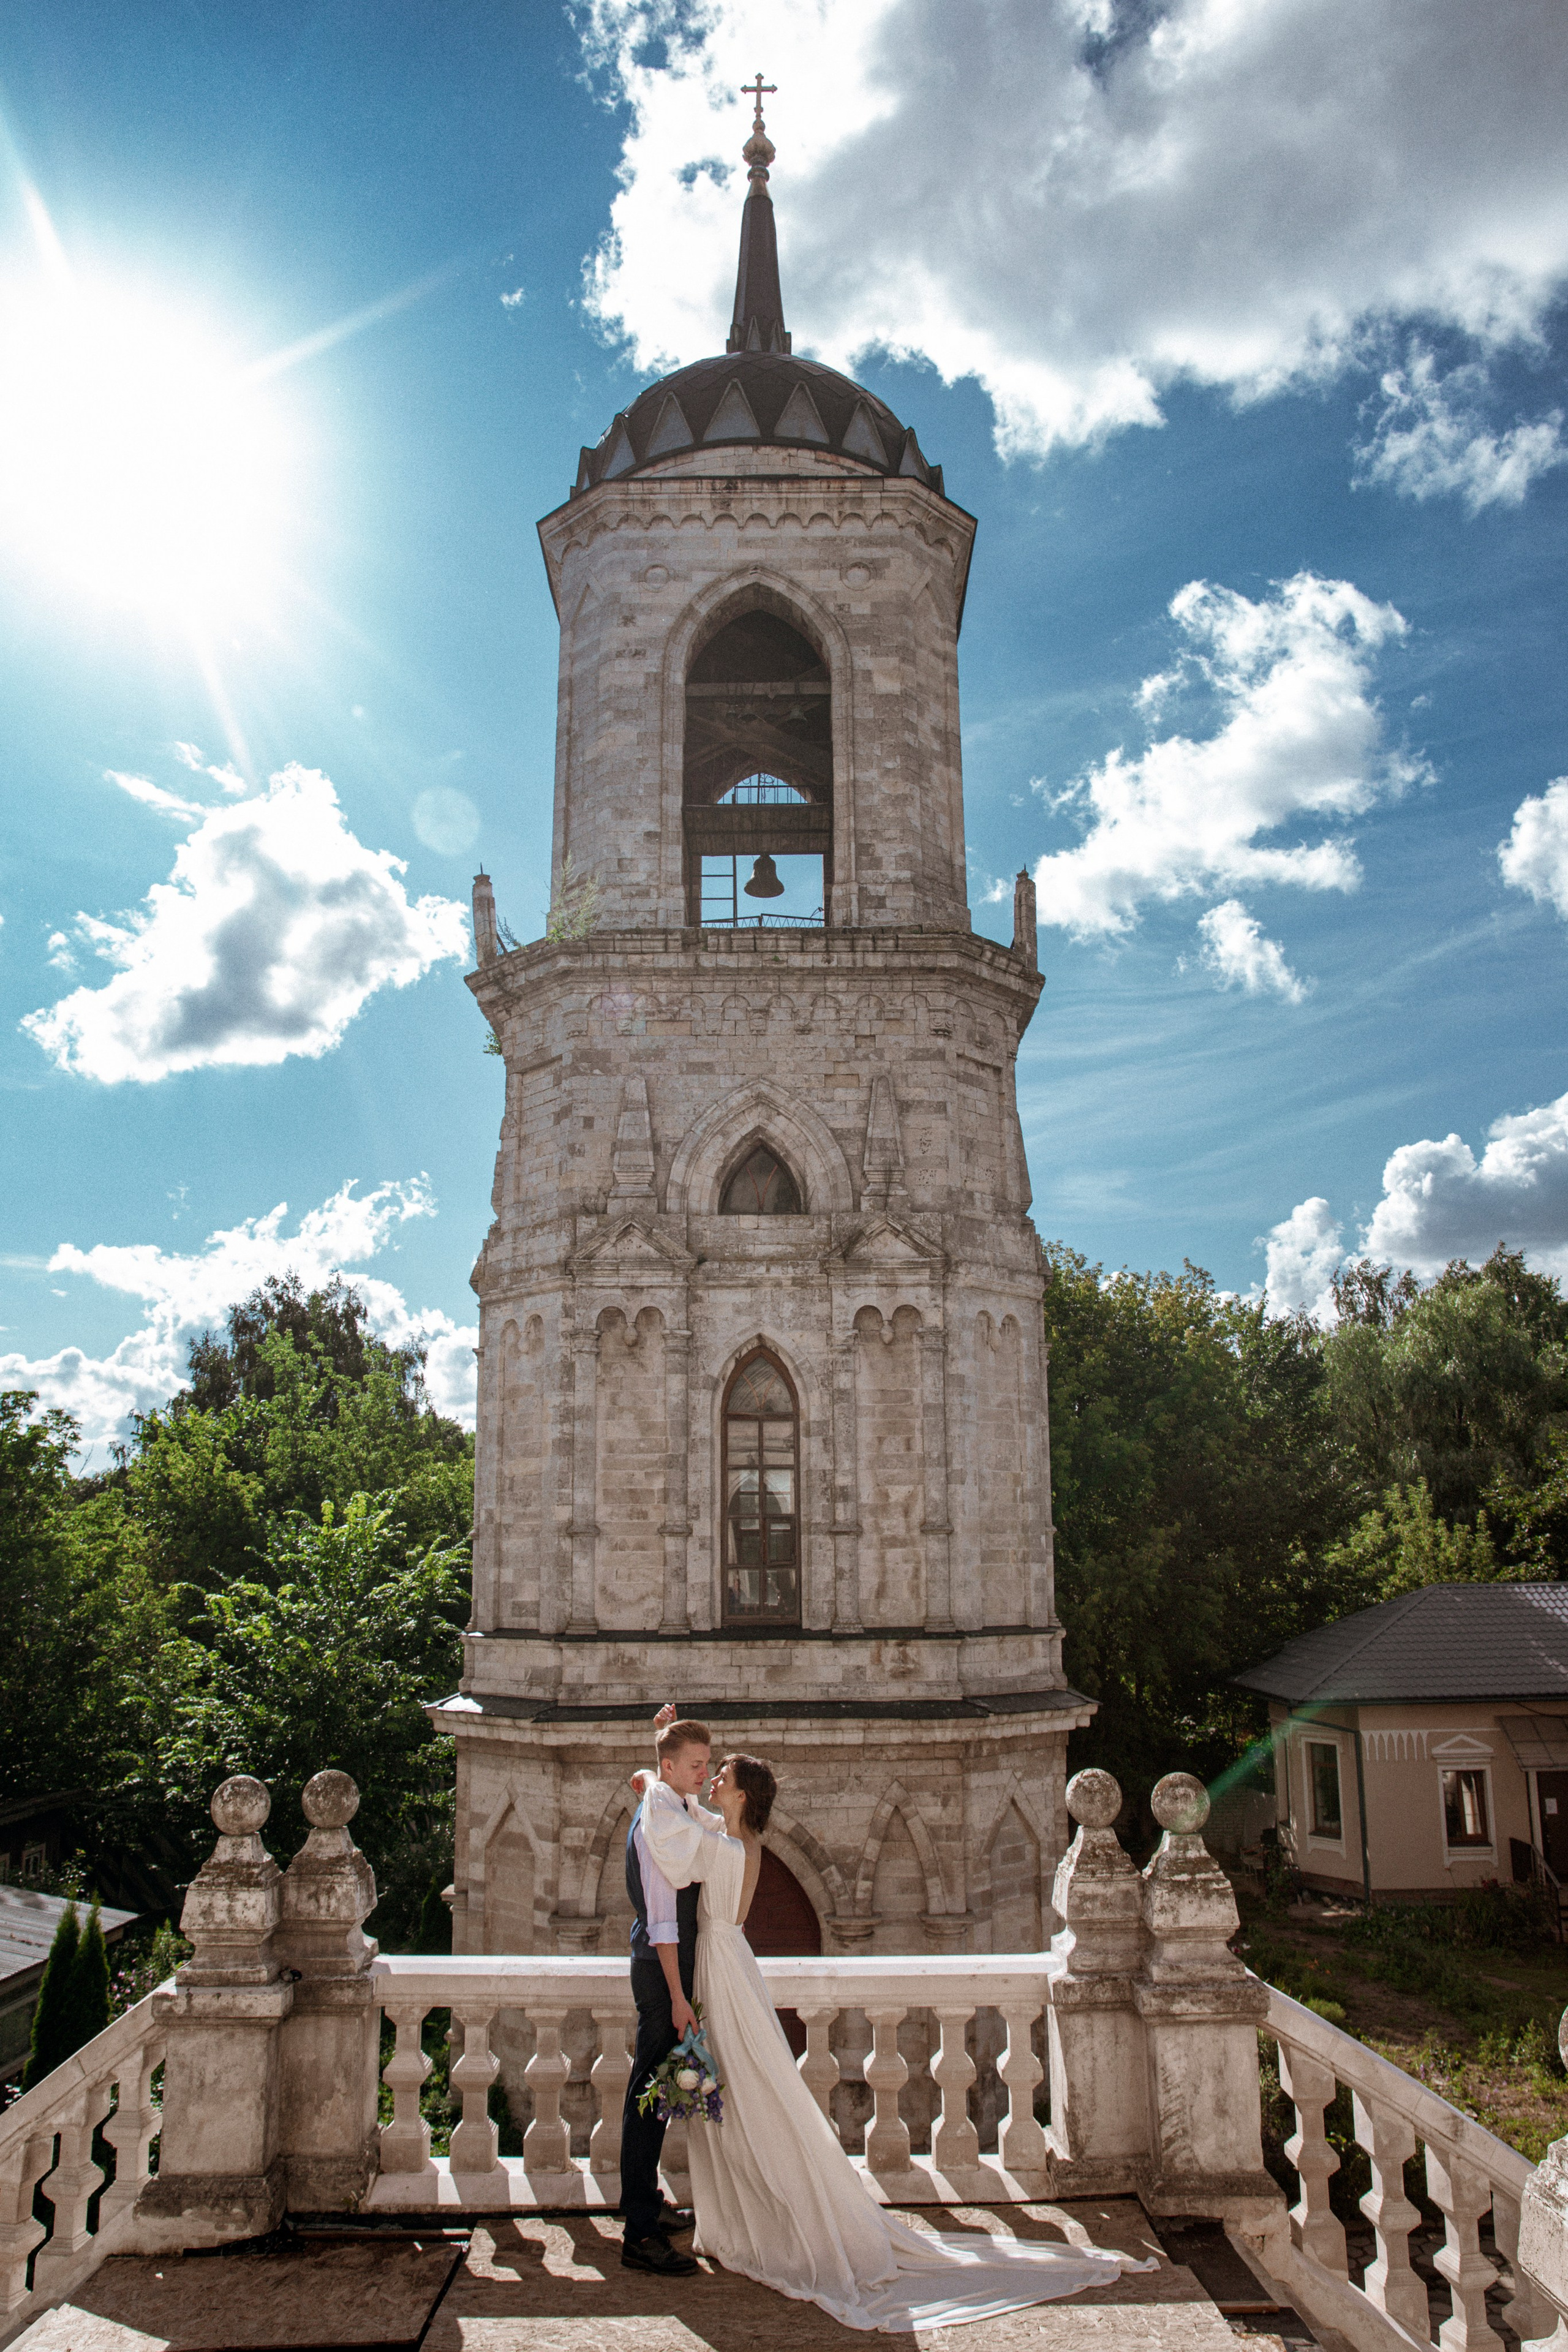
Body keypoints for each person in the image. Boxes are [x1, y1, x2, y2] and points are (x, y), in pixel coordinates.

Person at [630, 1721, 1157, 2333]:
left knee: (747, 2092)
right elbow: (688, 1817)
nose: (711, 1776)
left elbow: (672, 1834)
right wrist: (659, 1768)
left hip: (719, 1974)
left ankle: (765, 2216)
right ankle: (749, 2210)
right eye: (704, 1768)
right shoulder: (734, 1839)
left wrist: (655, 1781)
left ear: (741, 1795)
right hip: (727, 1970)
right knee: (747, 2091)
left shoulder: (721, 1845)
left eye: (719, 1773)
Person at [618, 1712, 710, 2275]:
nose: (705, 1773)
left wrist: (658, 1742)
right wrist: (678, 1997)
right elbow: (663, 1924)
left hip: (663, 1971)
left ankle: (647, 2205)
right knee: (647, 2100)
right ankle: (639, 2234)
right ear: (671, 1768)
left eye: (707, 1763)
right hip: (660, 1972)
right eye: (695, 1765)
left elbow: (653, 1777)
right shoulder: (658, 1823)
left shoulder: (664, 1801)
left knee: (654, 2097)